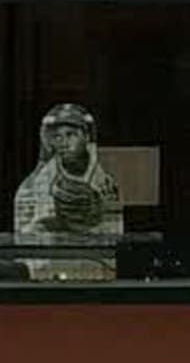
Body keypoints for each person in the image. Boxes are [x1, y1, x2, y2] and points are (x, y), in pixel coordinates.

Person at [12, 102, 123, 280]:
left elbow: (112, 246)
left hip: (93, 275)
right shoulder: (31, 188)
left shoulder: (107, 187)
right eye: (56, 137)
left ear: (86, 137)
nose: (63, 143)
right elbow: (26, 248)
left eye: (71, 135)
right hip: (50, 274)